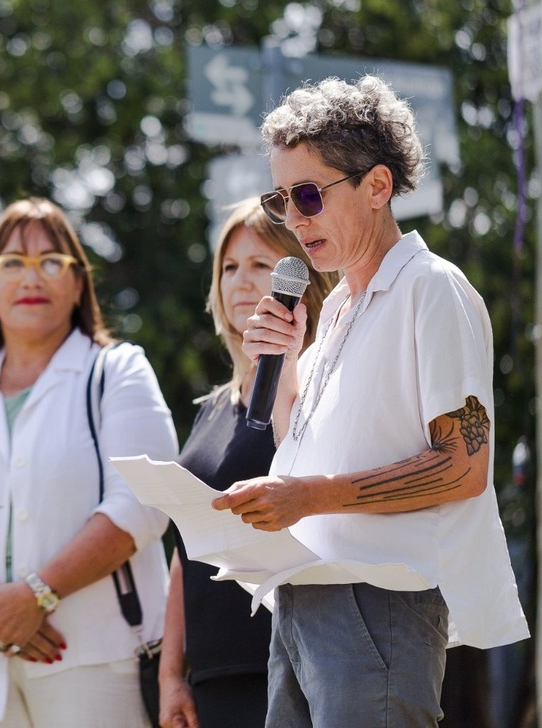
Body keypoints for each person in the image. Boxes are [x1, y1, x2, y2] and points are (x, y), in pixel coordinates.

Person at [212, 76, 529, 727]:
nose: (295, 219)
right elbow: (301, 454)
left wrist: (313, 496)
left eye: (308, 194)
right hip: (301, 602)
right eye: (280, 200)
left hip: (379, 604)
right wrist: (286, 362)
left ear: (377, 187)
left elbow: (462, 466)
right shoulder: (335, 314)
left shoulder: (430, 290)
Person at [0, 197, 178, 727]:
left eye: (51, 261)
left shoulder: (117, 371)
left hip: (92, 660)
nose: (31, 277)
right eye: (13, 262)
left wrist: (38, 595)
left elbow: (143, 502)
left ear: (77, 283)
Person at [158, 198, 337, 728]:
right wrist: (172, 675)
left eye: (260, 265)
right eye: (229, 267)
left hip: (294, 666)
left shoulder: (316, 391)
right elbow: (182, 551)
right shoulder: (211, 409)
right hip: (211, 676)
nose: (239, 281)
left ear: (298, 278)